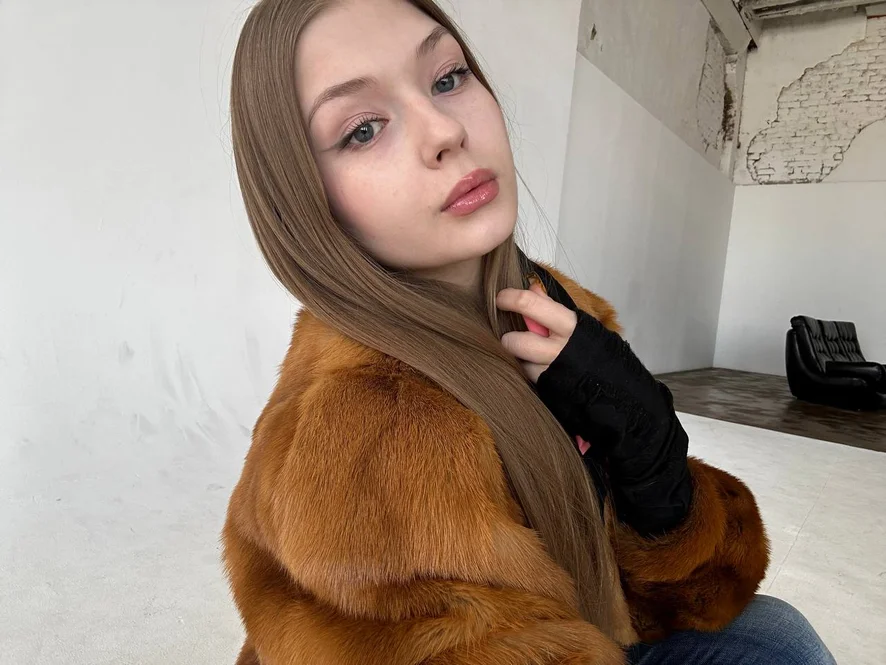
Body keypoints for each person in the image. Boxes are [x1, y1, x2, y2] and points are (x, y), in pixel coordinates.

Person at [221, 0, 837, 663]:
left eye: (448, 77)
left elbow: (688, 596)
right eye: (364, 129)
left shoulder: (556, 310)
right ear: (304, 198)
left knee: (777, 633)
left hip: (595, 630)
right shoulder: (364, 428)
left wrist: (650, 451)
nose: (444, 130)